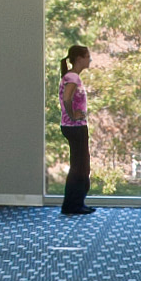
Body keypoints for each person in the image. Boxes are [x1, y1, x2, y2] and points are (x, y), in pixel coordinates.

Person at [55, 42, 94, 216]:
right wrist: (72, 115)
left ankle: (74, 204)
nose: (90, 59)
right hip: (75, 127)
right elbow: (67, 97)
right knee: (81, 167)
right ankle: (73, 205)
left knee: (79, 166)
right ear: (79, 59)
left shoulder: (70, 76)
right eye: (87, 57)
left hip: (73, 127)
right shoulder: (73, 78)